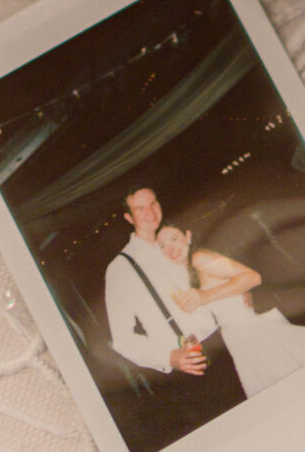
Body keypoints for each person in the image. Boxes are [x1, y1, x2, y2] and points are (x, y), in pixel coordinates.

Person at [103, 186, 245, 434]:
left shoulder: (175, 238)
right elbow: (123, 339)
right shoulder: (121, 268)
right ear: (128, 217)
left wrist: (240, 293)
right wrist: (170, 358)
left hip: (229, 338)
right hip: (191, 362)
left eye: (153, 203)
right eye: (140, 208)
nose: (150, 212)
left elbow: (211, 277)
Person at [156, 222, 305, 400]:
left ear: (187, 236)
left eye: (173, 239)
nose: (170, 249)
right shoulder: (189, 271)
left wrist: (205, 296)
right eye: (162, 245)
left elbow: (253, 277)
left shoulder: (199, 258)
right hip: (239, 339)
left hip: (253, 333)